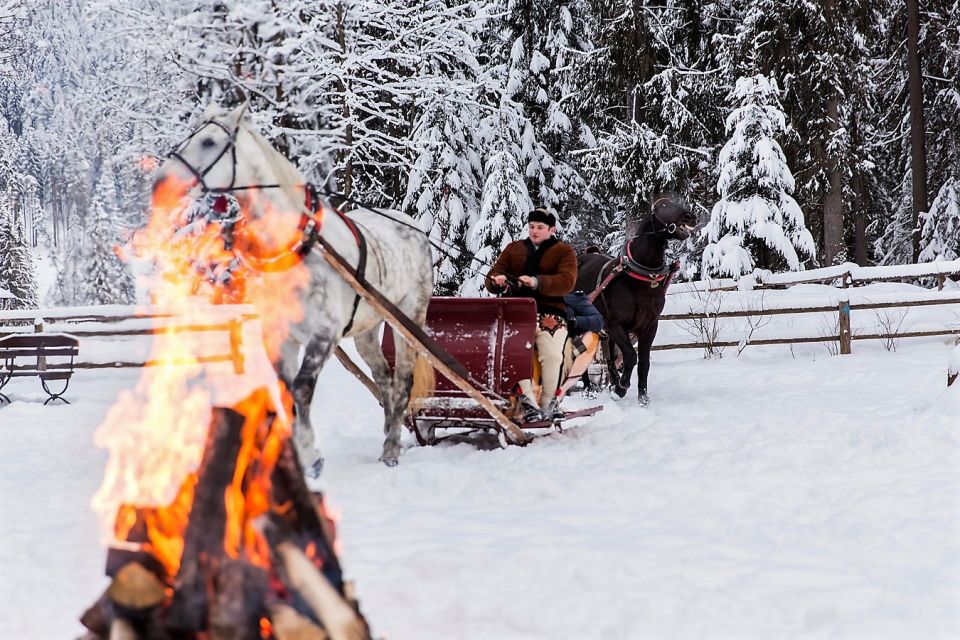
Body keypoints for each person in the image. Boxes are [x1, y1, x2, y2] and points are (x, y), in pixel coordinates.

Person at [486, 208, 577, 422]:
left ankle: (548, 404)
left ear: (552, 230)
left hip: (550, 314)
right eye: (532, 227)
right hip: (516, 313)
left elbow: (567, 282)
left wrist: (537, 282)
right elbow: (493, 274)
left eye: (540, 227)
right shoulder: (513, 249)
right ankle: (527, 402)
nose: (534, 231)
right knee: (513, 351)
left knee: (553, 355)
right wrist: (495, 281)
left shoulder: (564, 252)